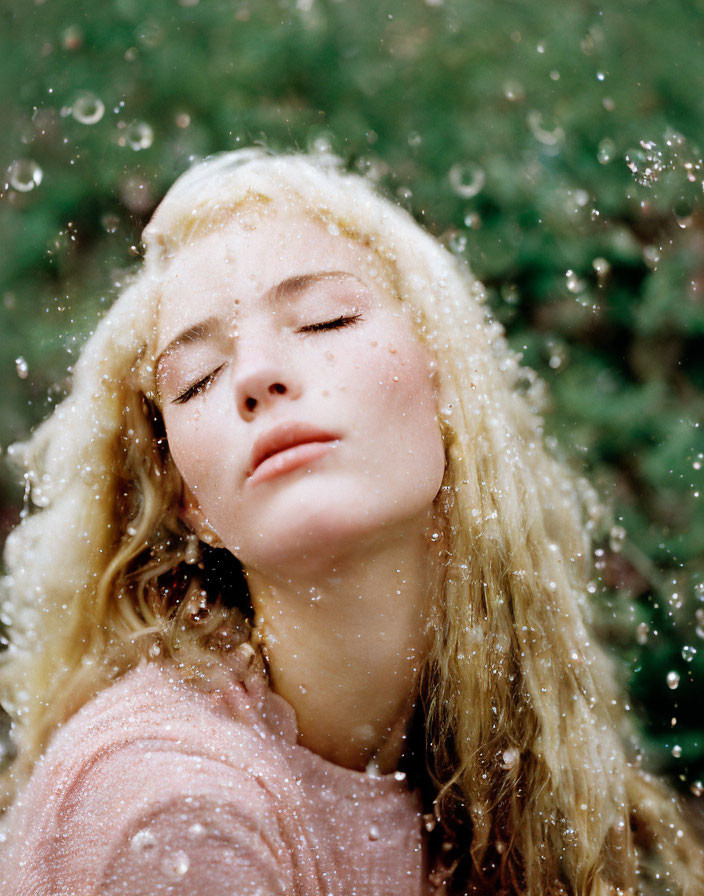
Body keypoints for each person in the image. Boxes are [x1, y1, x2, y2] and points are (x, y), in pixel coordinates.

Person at [0, 150, 701, 896]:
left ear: (444, 388)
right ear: (188, 501)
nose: (255, 376)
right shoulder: (172, 808)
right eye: (197, 376)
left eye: (324, 319)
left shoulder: (503, 769)